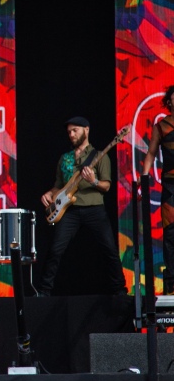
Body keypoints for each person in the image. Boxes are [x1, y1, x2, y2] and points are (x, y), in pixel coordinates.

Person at [37, 117, 127, 296]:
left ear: (86, 130)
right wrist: (48, 194)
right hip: (70, 210)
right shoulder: (65, 158)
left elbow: (106, 186)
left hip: (94, 208)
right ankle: (43, 291)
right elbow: (59, 185)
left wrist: (93, 181)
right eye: (69, 132)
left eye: (75, 130)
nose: (71, 134)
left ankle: (120, 290)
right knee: (55, 249)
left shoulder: (100, 156)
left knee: (109, 248)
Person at [142, 85, 174, 294]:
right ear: (168, 103)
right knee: (171, 233)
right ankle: (172, 283)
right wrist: (144, 179)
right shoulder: (161, 126)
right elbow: (151, 154)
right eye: (172, 99)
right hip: (171, 187)